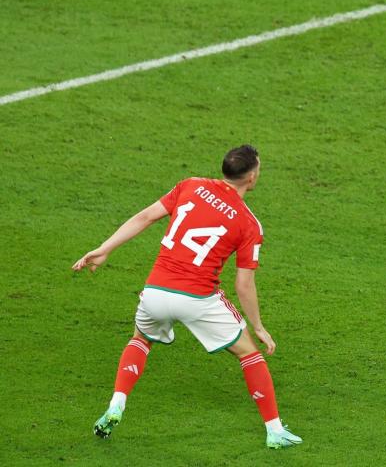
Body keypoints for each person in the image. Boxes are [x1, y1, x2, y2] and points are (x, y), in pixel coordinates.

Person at [71, 145, 302, 449]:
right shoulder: (248, 223)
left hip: (155, 291)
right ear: (252, 177)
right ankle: (274, 430)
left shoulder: (191, 185)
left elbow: (145, 217)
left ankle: (117, 404)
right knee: (249, 353)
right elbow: (244, 284)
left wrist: (105, 248)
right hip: (198, 299)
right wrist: (257, 326)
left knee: (140, 339)